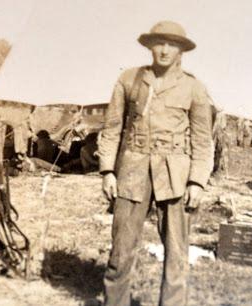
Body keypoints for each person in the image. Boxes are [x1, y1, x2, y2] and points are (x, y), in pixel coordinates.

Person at [97, 21, 214, 306]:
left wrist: (197, 181)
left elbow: (202, 140)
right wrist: (108, 171)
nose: (164, 50)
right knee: (121, 252)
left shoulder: (193, 88)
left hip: (176, 177)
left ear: (181, 51)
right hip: (132, 173)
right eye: (159, 43)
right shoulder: (130, 79)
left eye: (171, 44)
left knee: (176, 255)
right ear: (150, 46)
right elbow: (112, 128)